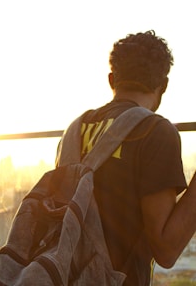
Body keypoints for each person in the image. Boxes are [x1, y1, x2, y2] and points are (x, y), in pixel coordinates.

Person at [57, 30, 196, 285]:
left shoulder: (74, 130)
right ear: (163, 86)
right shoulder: (156, 131)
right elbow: (166, 251)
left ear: (112, 80)